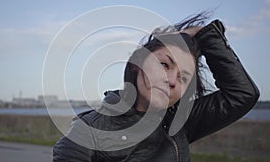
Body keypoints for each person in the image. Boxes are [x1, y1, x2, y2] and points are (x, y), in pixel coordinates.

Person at [52, 13, 260, 162]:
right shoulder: (86, 131)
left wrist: (205, 35)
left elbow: (242, 94)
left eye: (183, 77)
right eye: (164, 64)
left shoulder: (181, 122)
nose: (171, 80)